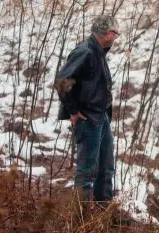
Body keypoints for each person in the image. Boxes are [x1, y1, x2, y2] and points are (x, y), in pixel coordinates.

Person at [54, 15, 120, 208]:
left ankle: (103, 212)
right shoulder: (85, 52)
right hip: (88, 118)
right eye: (116, 33)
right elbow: (62, 82)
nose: (117, 37)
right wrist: (73, 112)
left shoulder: (98, 52)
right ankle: (80, 220)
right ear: (108, 33)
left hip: (101, 116)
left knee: (106, 167)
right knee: (86, 172)